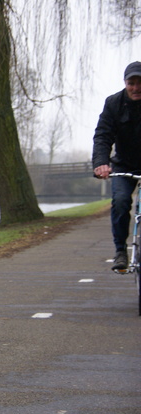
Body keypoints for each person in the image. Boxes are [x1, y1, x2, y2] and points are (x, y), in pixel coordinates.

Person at [93, 60, 141, 271]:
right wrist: (102, 162)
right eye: (131, 83)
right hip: (124, 166)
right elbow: (103, 135)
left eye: (140, 83)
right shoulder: (113, 103)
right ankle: (120, 250)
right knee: (121, 202)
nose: (136, 88)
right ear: (125, 83)